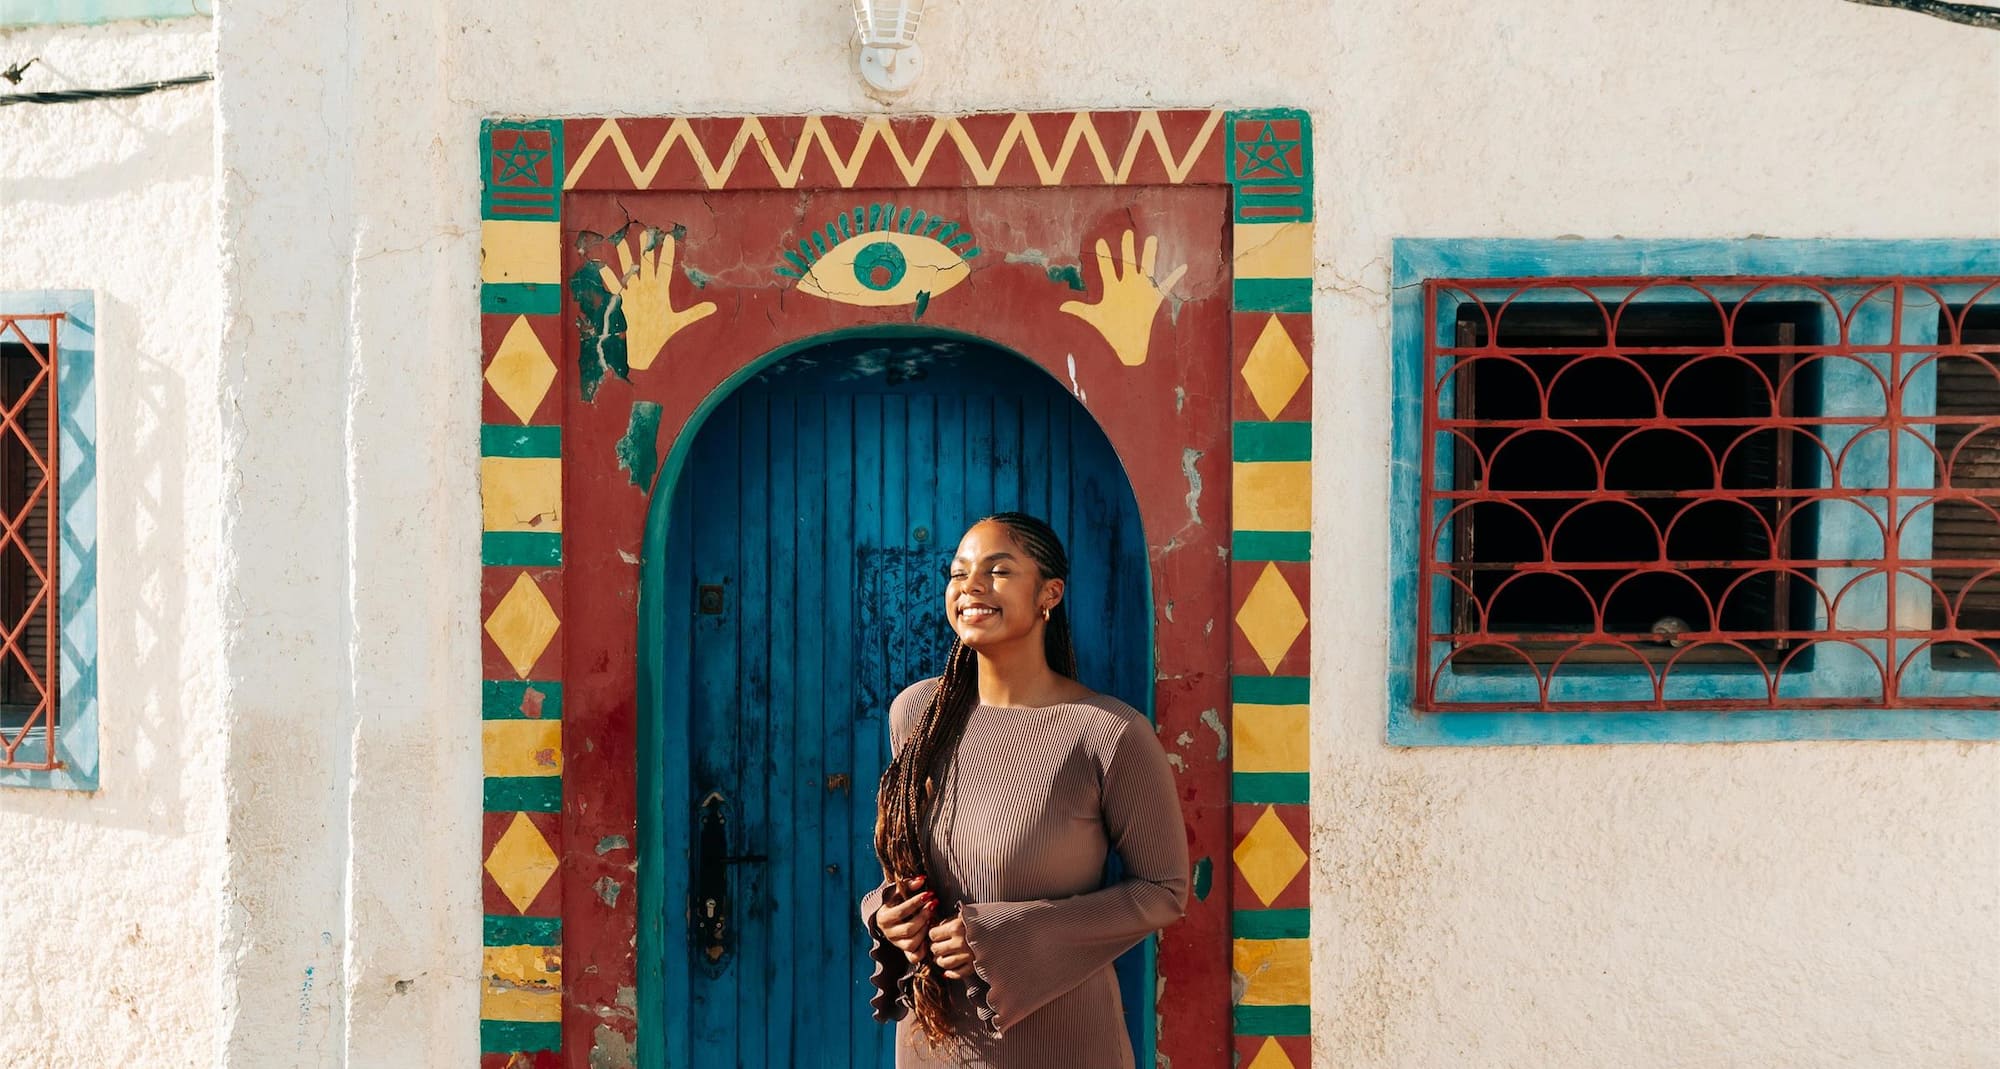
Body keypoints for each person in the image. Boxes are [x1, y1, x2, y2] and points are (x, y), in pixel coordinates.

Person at [859, 512, 1190, 1068]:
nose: (971, 587)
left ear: (1049, 594)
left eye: (999, 570)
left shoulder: (1108, 733)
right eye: (958, 573)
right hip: (934, 1043)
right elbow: (905, 866)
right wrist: (885, 914)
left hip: (1066, 1043)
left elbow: (1164, 891)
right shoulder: (918, 716)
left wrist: (1005, 936)